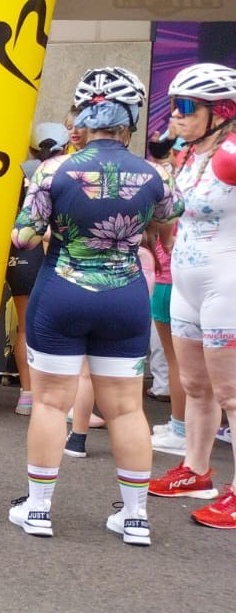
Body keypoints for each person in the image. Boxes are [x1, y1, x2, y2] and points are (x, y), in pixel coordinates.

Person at [7, 67, 178, 546]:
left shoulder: (52, 169)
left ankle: (38, 509)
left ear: (83, 115)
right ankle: (136, 517)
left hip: (61, 291)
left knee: (50, 402)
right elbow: (165, 227)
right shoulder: (157, 174)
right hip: (125, 296)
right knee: (126, 410)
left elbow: (24, 235)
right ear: (131, 119)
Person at [148, 62, 236, 529]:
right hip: (186, 282)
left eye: (185, 107)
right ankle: (196, 470)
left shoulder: (231, 155)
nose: (175, 116)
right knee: (196, 386)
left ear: (220, 111)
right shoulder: (189, 155)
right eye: (174, 105)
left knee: (232, 393)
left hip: (227, 281)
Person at [8, 122, 70, 416]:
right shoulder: (68, 173)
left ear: (31, 148)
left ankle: (27, 395)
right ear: (67, 147)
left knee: (25, 326)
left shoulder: (17, 173)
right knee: (62, 329)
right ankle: (60, 399)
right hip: (60, 255)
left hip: (20, 253)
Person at [144, 134, 189, 454]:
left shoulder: (178, 182)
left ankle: (181, 428)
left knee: (181, 362)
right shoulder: (181, 179)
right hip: (175, 276)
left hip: (172, 278)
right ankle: (182, 425)